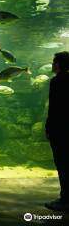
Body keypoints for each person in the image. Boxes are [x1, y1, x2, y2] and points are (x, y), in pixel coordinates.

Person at [45, 51, 69, 211]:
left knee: (62, 164)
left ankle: (64, 200)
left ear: (59, 64)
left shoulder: (56, 81)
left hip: (59, 129)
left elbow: (54, 107)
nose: (53, 65)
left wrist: (48, 127)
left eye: (54, 62)